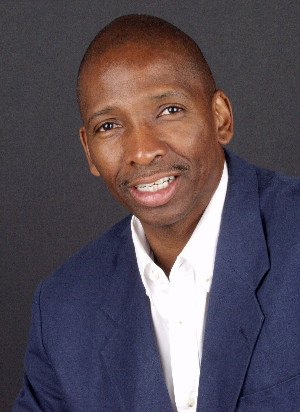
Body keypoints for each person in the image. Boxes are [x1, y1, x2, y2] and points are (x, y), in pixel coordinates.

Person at [13, 14, 300, 412]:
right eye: (110, 125)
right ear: (88, 150)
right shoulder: (63, 308)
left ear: (220, 117)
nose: (142, 150)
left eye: (169, 110)